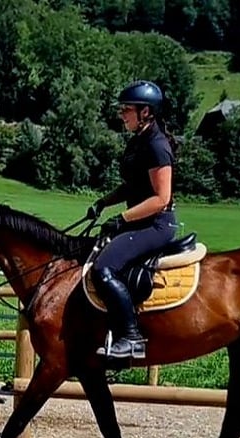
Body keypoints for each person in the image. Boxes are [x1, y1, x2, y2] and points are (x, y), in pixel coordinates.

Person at [88, 80, 179, 360]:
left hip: (157, 224)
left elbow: (161, 198)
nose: (121, 114)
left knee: (103, 268)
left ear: (146, 112)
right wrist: (103, 202)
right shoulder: (139, 141)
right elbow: (133, 186)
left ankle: (131, 337)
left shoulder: (156, 146)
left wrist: (121, 219)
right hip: (139, 222)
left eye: (126, 109)